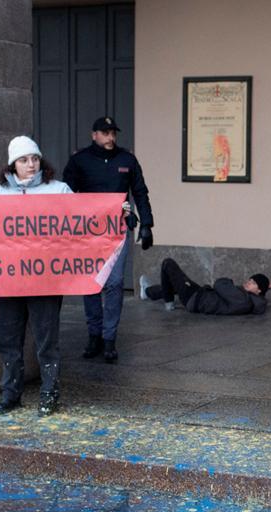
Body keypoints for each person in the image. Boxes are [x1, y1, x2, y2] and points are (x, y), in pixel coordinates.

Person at [0, 136, 73, 416]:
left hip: (46, 280)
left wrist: (115, 212)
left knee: (46, 340)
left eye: (35, 159)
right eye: (24, 160)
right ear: (13, 164)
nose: (31, 164)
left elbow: (84, 219)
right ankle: (10, 394)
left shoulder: (59, 189)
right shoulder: (0, 193)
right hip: (10, 280)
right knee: (8, 339)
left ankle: (49, 393)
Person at [63, 116, 155, 364]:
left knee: (114, 283)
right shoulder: (79, 160)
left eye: (113, 133)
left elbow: (140, 191)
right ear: (94, 135)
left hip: (118, 228)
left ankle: (109, 338)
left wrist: (147, 224)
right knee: (92, 283)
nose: (110, 137)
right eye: (105, 133)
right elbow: (65, 196)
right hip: (89, 231)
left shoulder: (127, 159)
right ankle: (94, 334)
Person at [138, 258, 271, 316]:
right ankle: (148, 292)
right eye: (250, 280)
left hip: (195, 299)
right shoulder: (249, 299)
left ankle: (168, 302)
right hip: (200, 296)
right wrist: (267, 287)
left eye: (253, 283)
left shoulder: (242, 299)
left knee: (168, 263)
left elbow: (220, 284)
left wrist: (229, 281)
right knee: (175, 285)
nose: (248, 282)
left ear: (258, 291)